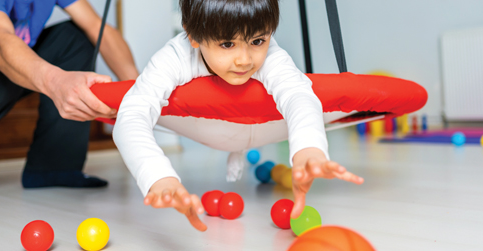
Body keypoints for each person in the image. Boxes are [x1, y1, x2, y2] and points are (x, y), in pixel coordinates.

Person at [113, 0, 364, 232]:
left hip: (259, 126)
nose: (244, 60)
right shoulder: (174, 57)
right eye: (227, 44)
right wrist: (158, 177)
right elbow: (131, 116)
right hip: (206, 127)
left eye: (257, 41)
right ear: (192, 35)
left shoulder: (273, 58)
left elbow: (299, 96)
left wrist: (309, 149)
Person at [0, 0, 139, 188]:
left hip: (9, 69)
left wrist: (140, 90)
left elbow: (96, 26)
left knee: (75, 39)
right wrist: (57, 82)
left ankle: (54, 168)